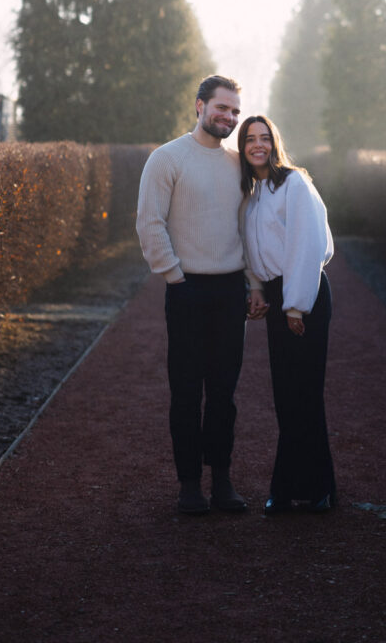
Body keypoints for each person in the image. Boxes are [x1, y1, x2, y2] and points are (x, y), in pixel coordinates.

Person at [136, 75, 250, 515]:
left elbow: (248, 228)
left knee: (224, 393)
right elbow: (150, 223)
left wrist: (252, 283)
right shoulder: (167, 159)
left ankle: (221, 481)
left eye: (236, 111)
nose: (230, 117)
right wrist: (175, 277)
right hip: (186, 288)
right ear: (199, 106)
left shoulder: (238, 164)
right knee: (185, 391)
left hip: (230, 289)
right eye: (222, 108)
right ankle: (189, 485)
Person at [238, 114, 336, 515]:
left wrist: (296, 304)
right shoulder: (250, 192)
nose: (258, 145)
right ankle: (287, 485)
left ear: (274, 142)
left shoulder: (294, 183)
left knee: (305, 393)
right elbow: (248, 246)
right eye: (249, 140)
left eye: (264, 138)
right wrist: (257, 288)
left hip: (305, 295)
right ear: (243, 148)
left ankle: (317, 489)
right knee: (285, 394)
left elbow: (307, 246)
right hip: (277, 297)